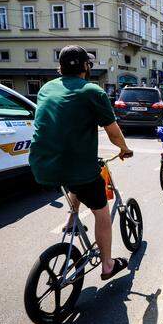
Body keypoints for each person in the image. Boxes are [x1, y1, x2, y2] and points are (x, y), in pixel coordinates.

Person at [29, 45, 133, 281]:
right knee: (102, 213)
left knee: (75, 179)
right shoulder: (92, 91)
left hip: (42, 166)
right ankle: (107, 265)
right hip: (77, 168)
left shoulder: (46, 88)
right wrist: (124, 149)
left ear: (60, 68)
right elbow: (113, 131)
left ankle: (71, 219)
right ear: (87, 66)